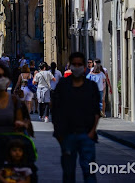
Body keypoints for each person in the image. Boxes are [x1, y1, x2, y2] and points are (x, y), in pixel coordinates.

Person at [52, 52, 100, 183]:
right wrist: (59, 134)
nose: (77, 67)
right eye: (74, 64)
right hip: (67, 136)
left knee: (89, 173)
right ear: (70, 66)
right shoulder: (63, 85)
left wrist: (92, 131)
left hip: (87, 135)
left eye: (80, 64)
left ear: (85, 67)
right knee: (68, 173)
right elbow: (55, 110)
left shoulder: (91, 87)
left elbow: (96, 111)